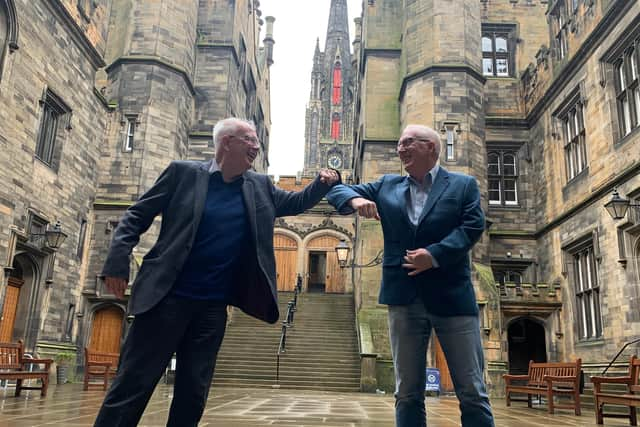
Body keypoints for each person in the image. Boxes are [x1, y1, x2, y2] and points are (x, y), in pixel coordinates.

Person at [94, 117, 340, 427]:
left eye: (256, 141)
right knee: (132, 386)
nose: (256, 146)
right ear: (226, 142)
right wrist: (116, 262)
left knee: (193, 393)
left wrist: (322, 182)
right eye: (249, 140)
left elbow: (296, 202)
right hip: (165, 300)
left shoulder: (259, 186)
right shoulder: (182, 173)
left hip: (212, 309)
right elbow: (135, 216)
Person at [327, 125, 494, 427]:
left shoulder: (462, 185)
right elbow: (338, 190)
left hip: (452, 298)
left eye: (407, 143)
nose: (400, 149)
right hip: (404, 299)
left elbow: (472, 227)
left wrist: (434, 255)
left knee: (472, 391)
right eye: (399, 143)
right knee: (407, 392)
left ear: (431, 146)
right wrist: (355, 201)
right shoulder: (387, 185)